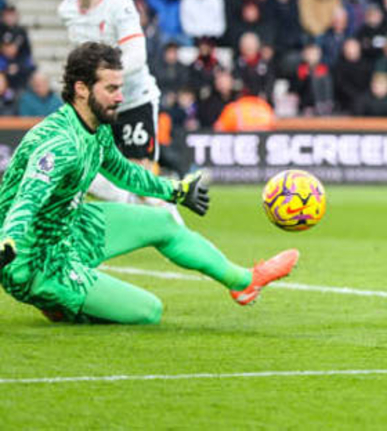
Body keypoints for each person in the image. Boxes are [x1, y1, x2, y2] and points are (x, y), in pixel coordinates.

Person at [0, 42, 298, 324]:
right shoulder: (61, 143)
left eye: (121, 87)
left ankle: (243, 282)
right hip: (34, 260)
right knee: (149, 312)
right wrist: (8, 240)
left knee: (163, 221)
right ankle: (56, 300)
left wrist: (176, 190)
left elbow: (126, 173)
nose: (120, 97)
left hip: (69, 227)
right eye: (112, 89)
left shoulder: (96, 128)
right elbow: (28, 198)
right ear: (81, 89)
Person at [57, 0, 189, 224]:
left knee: (141, 184)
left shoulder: (120, 5)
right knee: (76, 172)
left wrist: (103, 80)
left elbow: (137, 56)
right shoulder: (67, 9)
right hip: (95, 108)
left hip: (133, 101)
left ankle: (184, 238)